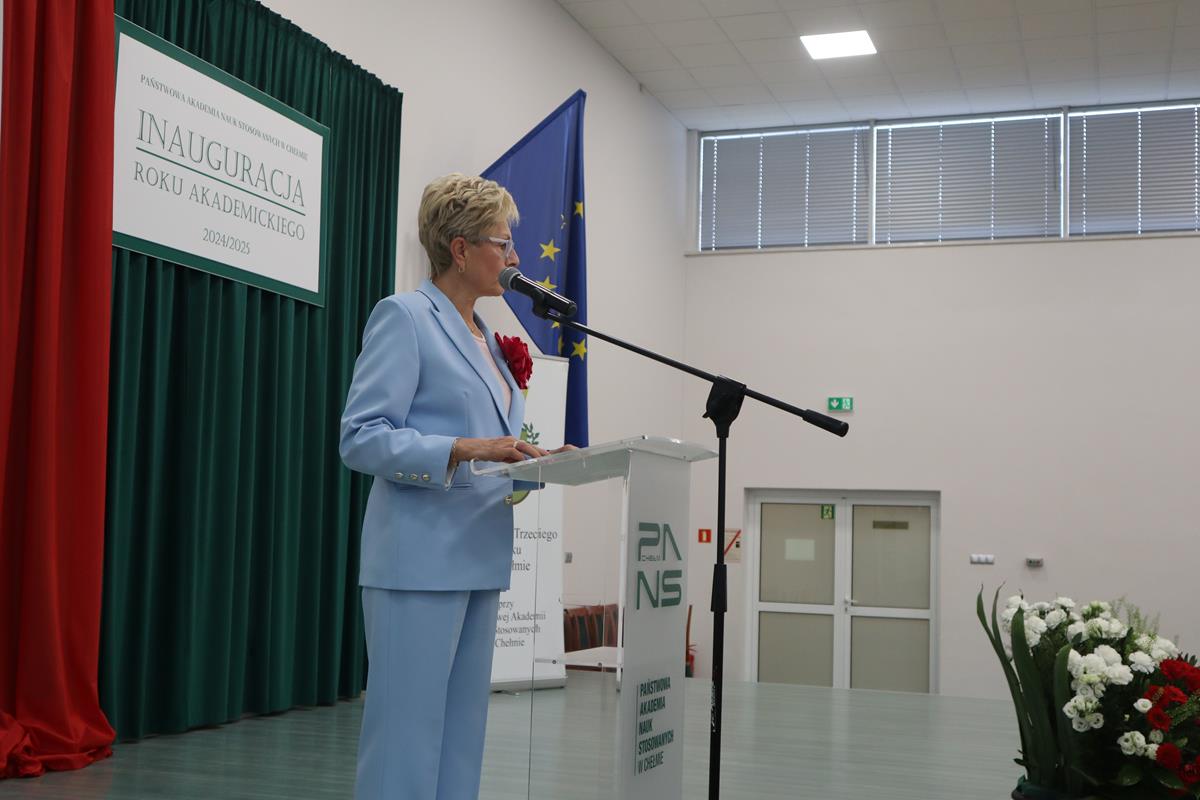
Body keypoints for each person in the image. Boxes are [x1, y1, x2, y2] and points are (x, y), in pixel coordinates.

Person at [340, 173, 567, 799]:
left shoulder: (490, 340)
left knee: (462, 737)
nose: (515, 257)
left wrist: (538, 464)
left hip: (479, 558)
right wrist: (464, 448)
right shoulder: (406, 317)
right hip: (416, 561)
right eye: (503, 242)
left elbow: (492, 451)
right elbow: (361, 437)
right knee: (405, 739)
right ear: (460, 249)